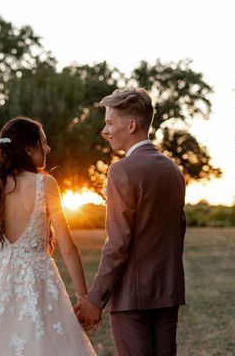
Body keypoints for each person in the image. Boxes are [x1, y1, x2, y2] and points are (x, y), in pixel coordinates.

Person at [0, 116, 97, 356]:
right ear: (28, 148)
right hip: (40, 282)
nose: (48, 149)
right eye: (44, 143)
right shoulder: (46, 184)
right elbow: (68, 248)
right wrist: (83, 297)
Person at [74, 88, 186, 355]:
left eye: (110, 122)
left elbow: (118, 242)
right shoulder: (173, 169)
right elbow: (176, 230)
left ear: (131, 124)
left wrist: (95, 299)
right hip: (167, 292)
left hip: (131, 298)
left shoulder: (121, 170)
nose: (105, 130)